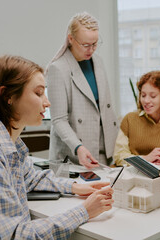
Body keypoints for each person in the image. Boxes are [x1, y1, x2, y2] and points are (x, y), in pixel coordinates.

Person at [0, 55, 114, 239]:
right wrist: (84, 211)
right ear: (7, 96)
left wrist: (76, 187)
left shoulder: (7, 140)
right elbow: (12, 236)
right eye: (38, 93)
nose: (47, 102)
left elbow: (31, 178)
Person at [46, 12, 118, 169]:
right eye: (86, 45)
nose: (91, 49)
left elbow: (104, 108)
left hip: (103, 150)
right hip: (73, 156)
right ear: (70, 39)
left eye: (95, 44)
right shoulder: (58, 68)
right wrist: (78, 147)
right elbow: (58, 120)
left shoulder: (98, 61)